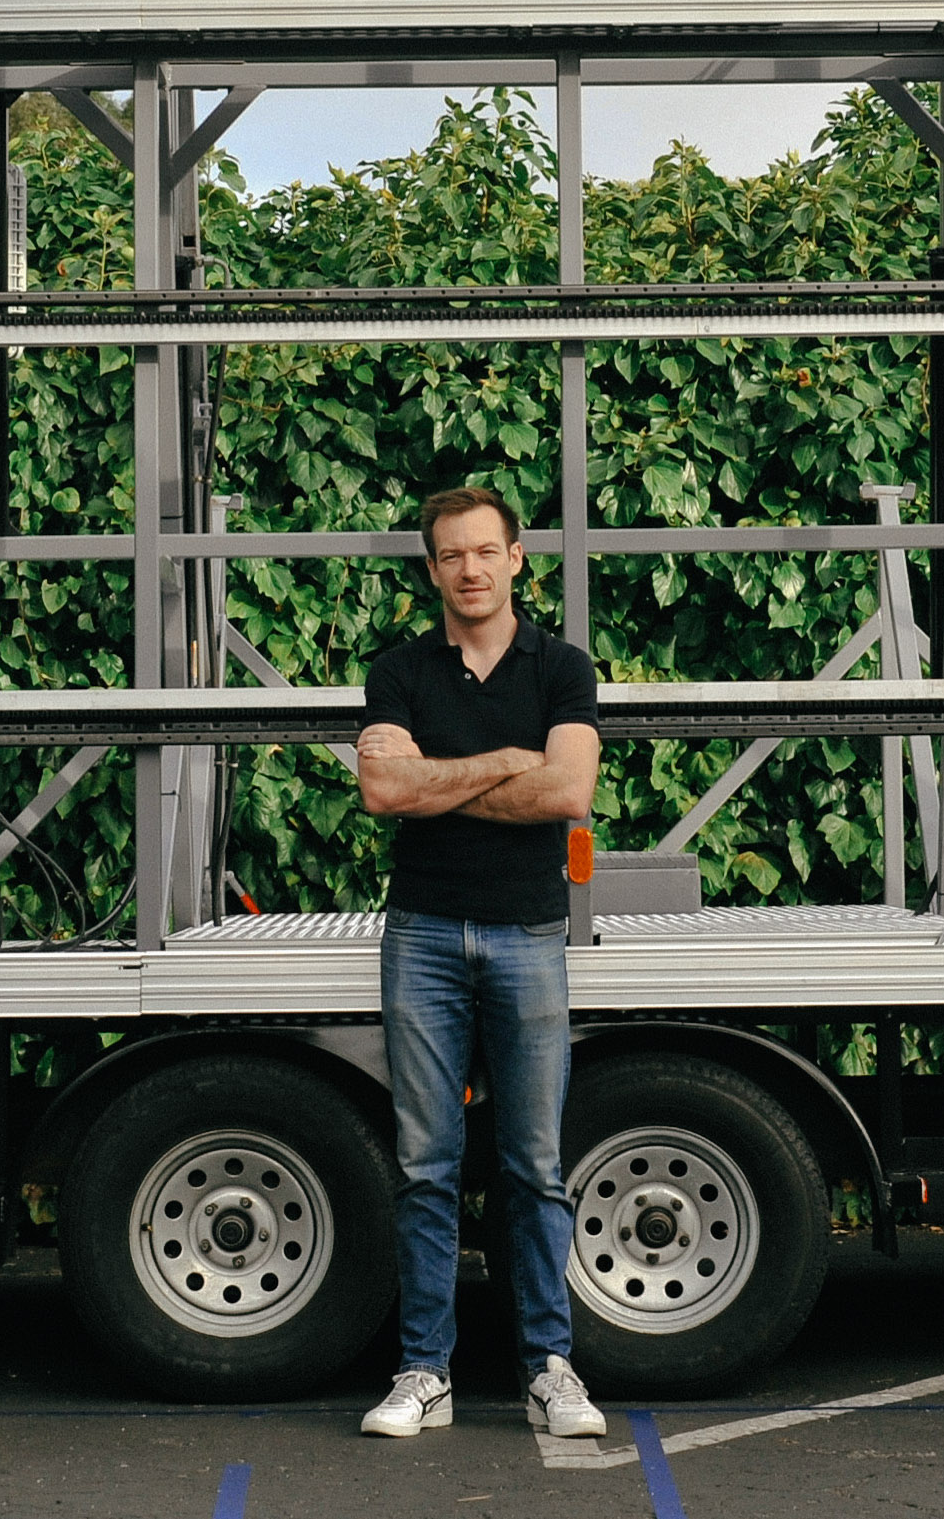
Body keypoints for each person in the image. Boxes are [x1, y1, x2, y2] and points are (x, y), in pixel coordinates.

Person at [352, 485, 607, 1443]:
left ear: (516, 557)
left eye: (485, 551)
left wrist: (441, 781)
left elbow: (568, 788)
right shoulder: (400, 670)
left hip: (526, 934)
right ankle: (425, 1371)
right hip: (420, 933)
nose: (469, 568)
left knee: (533, 1165)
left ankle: (548, 1366)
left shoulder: (561, 667)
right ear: (431, 568)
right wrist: (508, 757)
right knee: (425, 1165)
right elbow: (383, 787)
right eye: (451, 554)